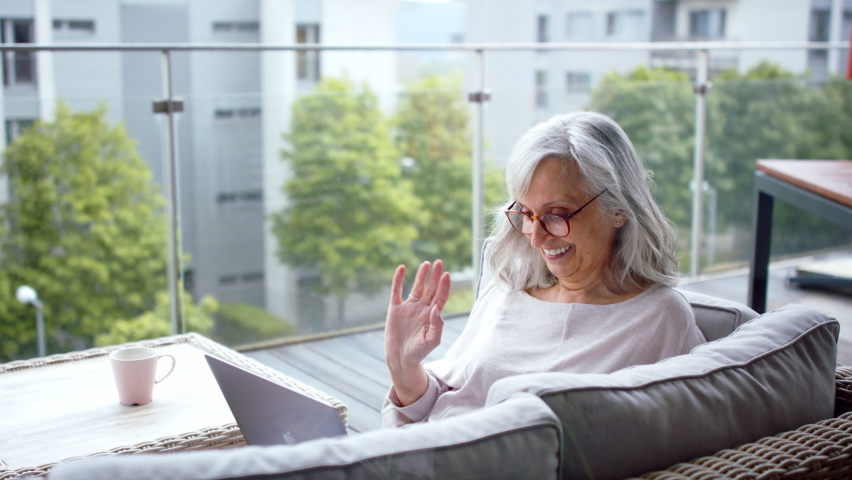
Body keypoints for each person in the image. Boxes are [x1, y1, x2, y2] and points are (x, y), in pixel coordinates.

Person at [382, 111, 706, 428]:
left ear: (619, 209)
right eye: (525, 213)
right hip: (422, 452)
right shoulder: (510, 286)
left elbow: (676, 437)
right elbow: (447, 398)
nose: (535, 237)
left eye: (558, 214)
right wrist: (404, 367)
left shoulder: (660, 319)